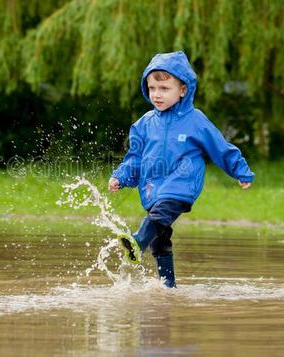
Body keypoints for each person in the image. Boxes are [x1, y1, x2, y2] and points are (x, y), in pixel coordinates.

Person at [108, 51, 254, 288]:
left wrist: (240, 170)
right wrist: (121, 177)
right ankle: (169, 288)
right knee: (160, 240)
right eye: (152, 88)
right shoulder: (144, 124)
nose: (157, 94)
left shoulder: (195, 120)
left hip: (182, 185)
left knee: (160, 215)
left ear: (183, 90)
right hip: (153, 188)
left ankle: (136, 243)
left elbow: (220, 147)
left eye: (164, 89)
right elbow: (134, 158)